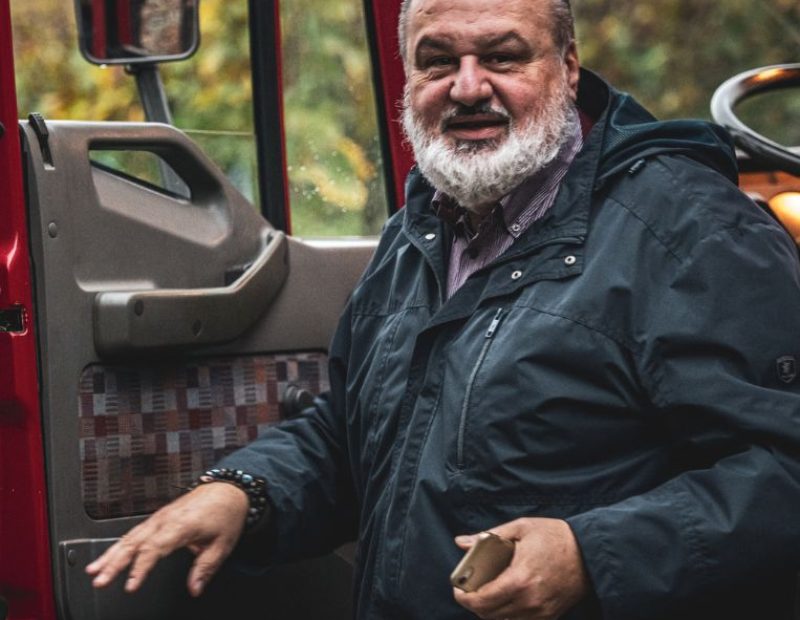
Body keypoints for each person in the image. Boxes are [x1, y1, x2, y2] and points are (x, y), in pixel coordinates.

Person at [87, 0, 800, 618]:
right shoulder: (420, 229)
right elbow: (361, 429)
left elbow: (783, 471)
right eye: (436, 61)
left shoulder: (690, 230)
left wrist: (592, 554)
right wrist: (246, 494)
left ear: (569, 66)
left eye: (502, 56)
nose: (467, 87)